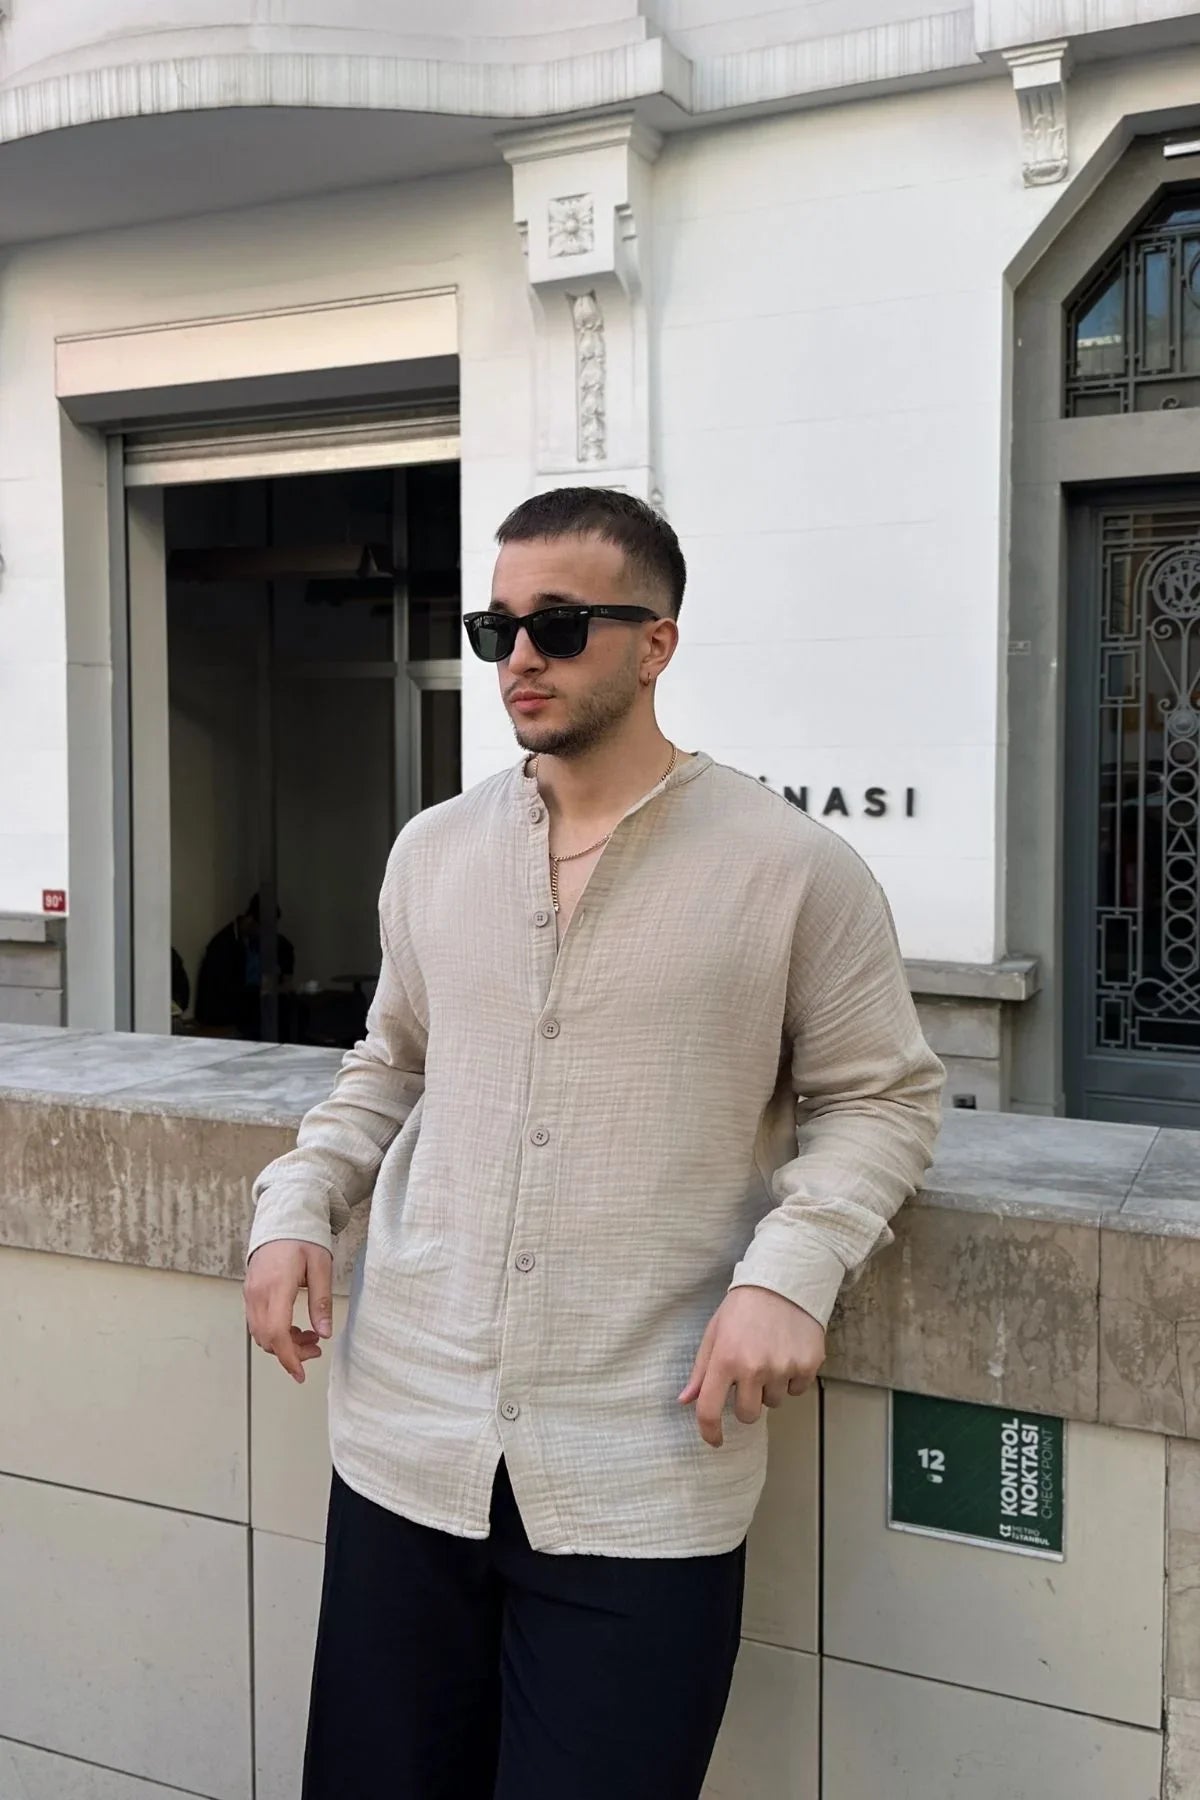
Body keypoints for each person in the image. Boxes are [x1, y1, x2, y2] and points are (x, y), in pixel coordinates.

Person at [244, 487, 944, 1800]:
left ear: (656, 642)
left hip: (642, 1467)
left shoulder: (795, 868)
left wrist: (792, 1271)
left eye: (558, 625)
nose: (519, 657)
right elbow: (390, 1065)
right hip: (406, 1443)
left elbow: (884, 1100)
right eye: (495, 627)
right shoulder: (433, 852)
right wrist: (296, 1206)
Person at [194, 894, 295, 1040]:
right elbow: (225, 990)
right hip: (229, 1006)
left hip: (255, 999)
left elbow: (284, 975)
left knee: (289, 1008)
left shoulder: (270, 943)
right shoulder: (223, 945)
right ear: (251, 920)